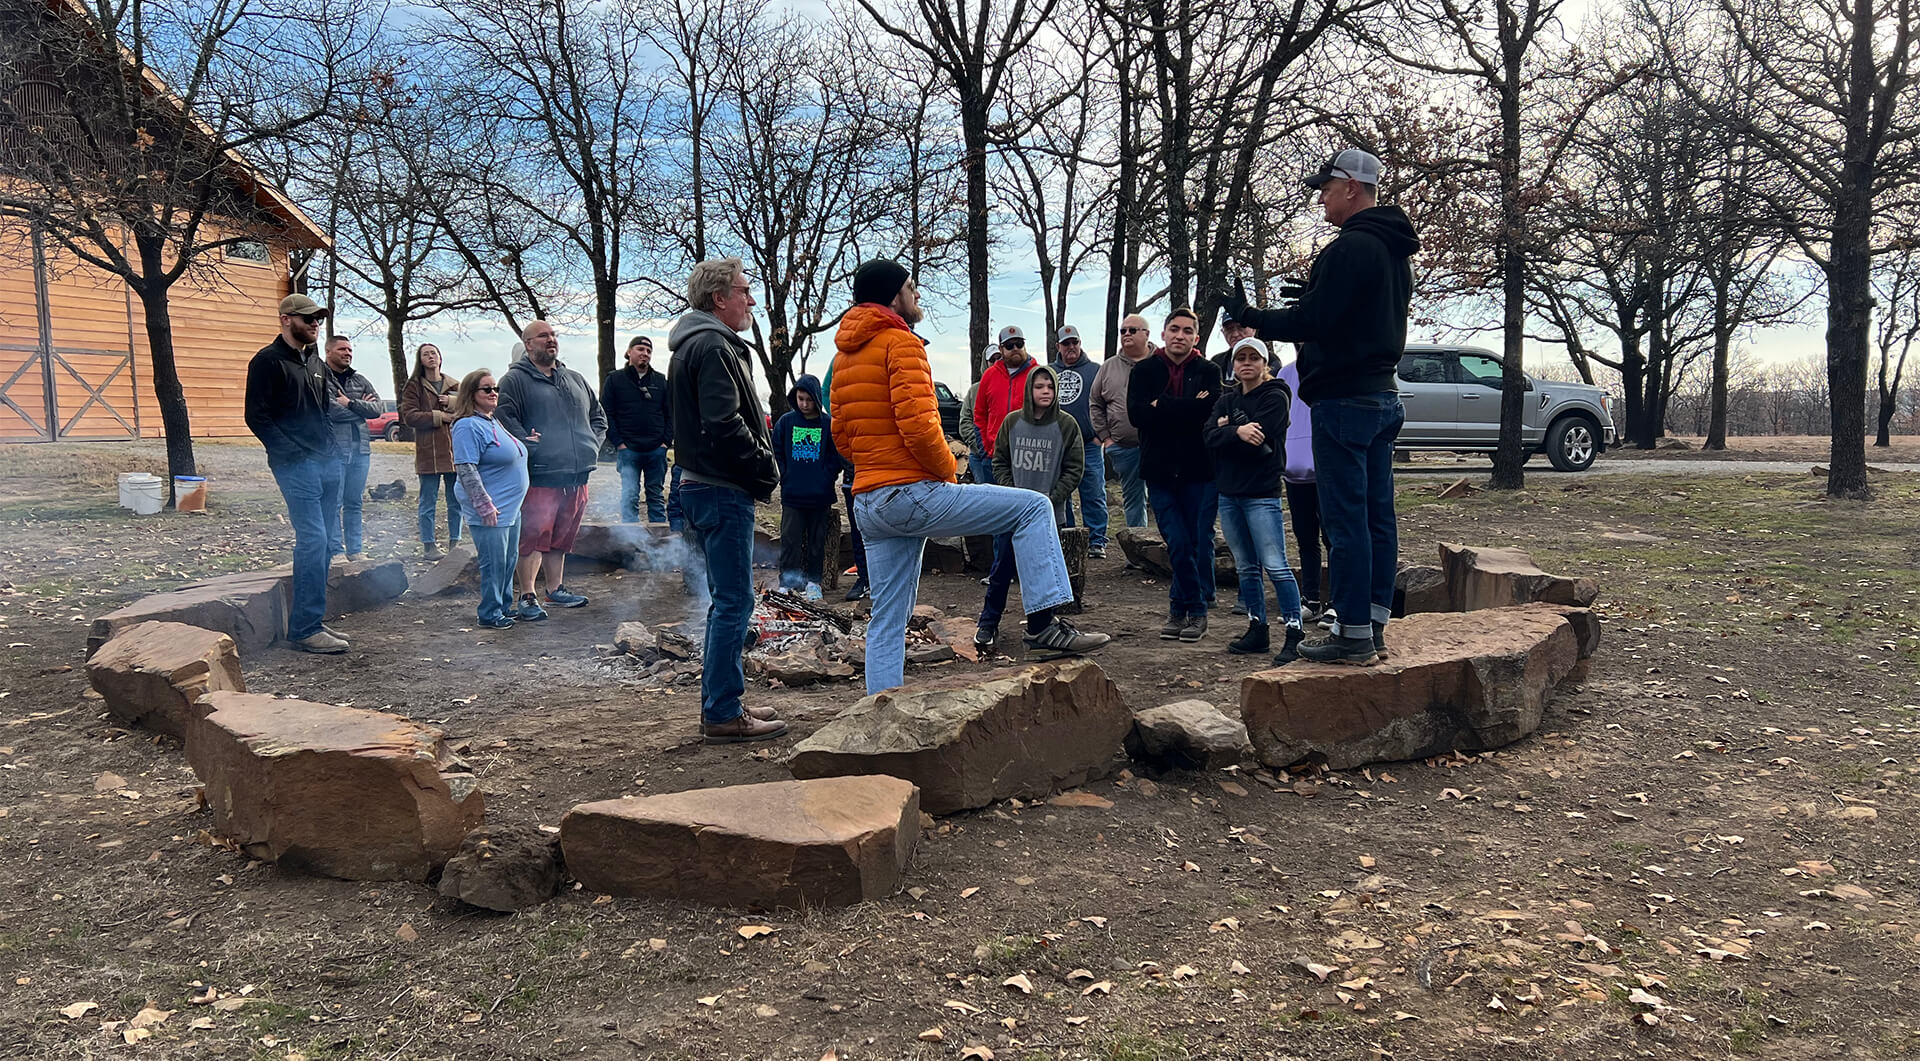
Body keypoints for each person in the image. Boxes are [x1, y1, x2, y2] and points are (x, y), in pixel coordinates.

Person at [831, 259, 1108, 694]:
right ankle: (1042, 626)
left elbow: (841, 437)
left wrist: (874, 467)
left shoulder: (844, 356)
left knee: (887, 618)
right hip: (911, 492)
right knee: (1034, 507)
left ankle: (879, 711)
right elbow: (921, 427)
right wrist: (946, 471)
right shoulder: (900, 343)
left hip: (868, 501)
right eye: (911, 286)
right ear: (892, 296)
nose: (916, 293)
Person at [1226, 148, 1420, 664]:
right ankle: (1373, 622)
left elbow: (1309, 323)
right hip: (1382, 396)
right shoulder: (1391, 250)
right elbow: (1342, 316)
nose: (1322, 196)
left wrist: (1251, 316)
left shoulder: (1349, 247)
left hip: (1344, 401)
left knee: (1345, 519)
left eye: (1327, 187)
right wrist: (1314, 293)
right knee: (1379, 515)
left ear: (1352, 187)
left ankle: (1352, 632)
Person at [669, 257, 787, 743]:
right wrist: (764, 464)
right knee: (734, 602)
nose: (752, 300)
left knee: (726, 601)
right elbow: (722, 423)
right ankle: (721, 712)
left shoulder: (693, 345)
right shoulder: (714, 345)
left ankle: (726, 697)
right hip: (721, 489)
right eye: (744, 290)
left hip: (701, 486)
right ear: (719, 298)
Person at [244, 294, 345, 653]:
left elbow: (323, 413)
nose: (315, 323)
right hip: (295, 466)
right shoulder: (267, 362)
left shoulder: (315, 361)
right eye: (307, 318)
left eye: (318, 318)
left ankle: (312, 620)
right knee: (314, 540)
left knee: (328, 543)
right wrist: (294, 455)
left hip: (327, 463)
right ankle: (304, 629)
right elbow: (257, 417)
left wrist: (335, 455)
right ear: (286, 320)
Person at [496, 319, 607, 619]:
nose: (551, 340)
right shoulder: (514, 380)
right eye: (543, 336)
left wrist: (591, 445)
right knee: (534, 534)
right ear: (528, 344)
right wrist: (529, 444)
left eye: (553, 335)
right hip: (541, 474)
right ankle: (527, 595)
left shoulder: (574, 378)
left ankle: (555, 589)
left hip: (577, 473)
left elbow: (598, 417)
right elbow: (505, 418)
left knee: (562, 535)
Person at [1206, 338, 1306, 661]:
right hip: (1229, 494)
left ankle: (1294, 632)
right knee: (1246, 566)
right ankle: (1257, 628)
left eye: (1253, 358)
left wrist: (1228, 430)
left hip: (1261, 494)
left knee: (1276, 565)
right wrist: (1236, 431)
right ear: (1233, 365)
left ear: (1265, 363)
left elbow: (1264, 433)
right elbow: (1208, 435)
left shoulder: (1276, 396)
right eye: (1240, 358)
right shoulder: (1226, 399)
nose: (1246, 363)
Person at [1129, 308, 1221, 641]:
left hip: (1200, 470)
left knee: (1195, 542)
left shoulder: (1209, 370)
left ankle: (1183, 609)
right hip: (1160, 470)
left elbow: (1209, 411)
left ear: (1196, 337)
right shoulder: (1144, 370)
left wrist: (1162, 405)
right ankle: (1193, 609)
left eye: (1187, 331)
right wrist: (1185, 407)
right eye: (1174, 329)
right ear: (1163, 334)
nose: (1180, 335)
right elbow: (1137, 415)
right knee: (1176, 540)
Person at [977, 365, 1084, 650]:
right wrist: (1011, 493)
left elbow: (1074, 469)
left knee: (1042, 573)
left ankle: (1041, 627)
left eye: (1050, 386)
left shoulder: (1066, 425)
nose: (1045, 391)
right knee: (1001, 571)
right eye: (1039, 387)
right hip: (1011, 515)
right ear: (1029, 391)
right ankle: (988, 624)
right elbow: (999, 461)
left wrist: (1052, 497)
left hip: (1048, 515)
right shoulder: (1012, 423)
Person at [450, 369, 529, 629]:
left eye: (495, 388)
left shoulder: (491, 421)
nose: (494, 393)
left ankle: (504, 606)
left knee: (508, 560)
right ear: (471, 394)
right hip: (491, 508)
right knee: (493, 563)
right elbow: (466, 469)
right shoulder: (466, 425)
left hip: (510, 507)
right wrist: (484, 505)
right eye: (487, 389)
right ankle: (489, 612)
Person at [773, 374, 840, 599]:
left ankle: (814, 582)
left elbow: (835, 455)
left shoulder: (827, 424)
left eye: (808, 400)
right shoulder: (786, 422)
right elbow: (777, 451)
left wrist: (827, 476)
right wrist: (785, 474)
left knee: (816, 542)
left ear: (816, 399)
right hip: (792, 495)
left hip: (819, 496)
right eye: (800, 399)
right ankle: (787, 583)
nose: (803, 404)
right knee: (790, 541)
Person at [1089, 314, 1154, 533]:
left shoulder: (1162, 363)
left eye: (1132, 330)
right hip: (1125, 447)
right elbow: (1095, 403)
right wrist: (1107, 438)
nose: (1126, 334)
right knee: (1133, 500)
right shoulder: (1109, 367)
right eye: (1123, 331)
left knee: (1167, 498)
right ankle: (1140, 551)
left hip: (1161, 445)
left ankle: (1170, 551)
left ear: (1146, 334)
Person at [1050, 324, 1108, 558]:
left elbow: (1108, 404)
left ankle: (1097, 540)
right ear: (1059, 347)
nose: (1071, 347)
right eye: (1066, 344)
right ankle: (1068, 536)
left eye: (1074, 342)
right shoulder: (1050, 372)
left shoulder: (1095, 370)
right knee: (1061, 493)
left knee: (1093, 492)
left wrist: (1100, 434)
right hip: (1058, 446)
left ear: (1080, 343)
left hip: (1089, 444)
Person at [322, 335, 380, 562]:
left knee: (354, 502)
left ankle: (355, 550)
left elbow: (377, 409)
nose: (348, 353)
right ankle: (336, 551)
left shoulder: (360, 379)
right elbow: (330, 410)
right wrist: (359, 413)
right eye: (342, 349)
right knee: (333, 502)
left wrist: (352, 403)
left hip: (361, 450)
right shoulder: (321, 380)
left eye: (350, 349)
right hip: (335, 450)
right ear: (328, 352)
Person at [400, 342, 461, 559]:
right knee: (428, 501)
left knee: (456, 500)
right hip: (429, 452)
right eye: (426, 354)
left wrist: (452, 402)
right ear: (421, 360)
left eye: (434, 352)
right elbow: (410, 416)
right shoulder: (413, 386)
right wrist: (439, 416)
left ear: (440, 357)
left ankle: (456, 543)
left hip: (454, 452)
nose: (430, 357)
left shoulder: (455, 385)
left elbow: (468, 408)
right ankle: (429, 546)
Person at [603, 335, 673, 524]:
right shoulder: (615, 379)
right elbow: (607, 414)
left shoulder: (660, 381)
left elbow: (670, 413)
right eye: (640, 349)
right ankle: (630, 539)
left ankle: (658, 541)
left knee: (656, 497)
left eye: (649, 351)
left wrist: (666, 442)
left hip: (656, 450)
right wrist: (619, 443)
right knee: (630, 496)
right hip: (628, 450)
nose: (645, 354)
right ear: (629, 352)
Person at [1280, 357, 1329, 621]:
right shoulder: (1285, 373)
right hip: (1294, 472)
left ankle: (1337, 603)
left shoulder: (1331, 364)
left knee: (1333, 538)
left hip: (1327, 469)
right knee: (1305, 539)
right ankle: (1311, 600)